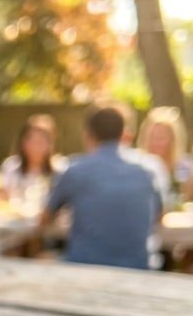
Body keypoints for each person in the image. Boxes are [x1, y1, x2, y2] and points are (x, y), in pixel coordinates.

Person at [37, 105, 162, 269]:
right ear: (123, 134)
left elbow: (44, 219)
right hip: (137, 268)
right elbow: (158, 216)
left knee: (38, 259)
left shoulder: (74, 171)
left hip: (86, 268)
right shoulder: (145, 174)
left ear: (88, 135)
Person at [0, 114, 68, 211]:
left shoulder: (61, 168)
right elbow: (2, 198)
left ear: (51, 144)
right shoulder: (11, 166)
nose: (35, 147)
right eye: (30, 140)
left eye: (41, 142)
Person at [138, 106, 193, 207]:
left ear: (173, 139)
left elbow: (188, 196)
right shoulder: (139, 165)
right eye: (152, 137)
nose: (155, 143)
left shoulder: (183, 165)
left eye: (161, 138)